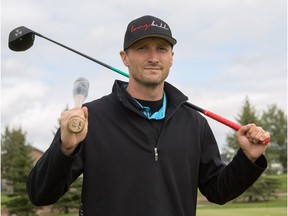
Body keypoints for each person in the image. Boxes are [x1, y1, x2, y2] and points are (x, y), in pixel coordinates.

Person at [27, 15, 270, 216]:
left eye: (161, 49)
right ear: (125, 57)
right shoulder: (91, 119)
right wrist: (66, 148)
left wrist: (246, 159)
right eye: (142, 48)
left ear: (171, 58)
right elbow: (41, 194)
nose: (153, 57)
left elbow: (218, 191)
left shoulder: (194, 123)